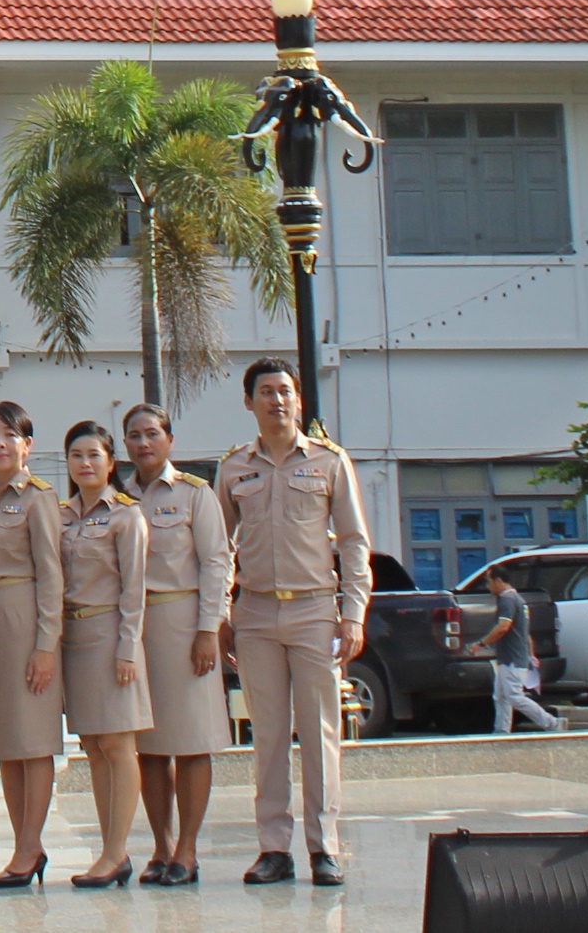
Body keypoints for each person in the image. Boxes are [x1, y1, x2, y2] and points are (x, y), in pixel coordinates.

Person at [216, 359, 369, 888]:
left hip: (312, 610)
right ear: (249, 402)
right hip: (255, 613)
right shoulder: (234, 468)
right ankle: (273, 848)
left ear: (298, 400)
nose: (276, 401)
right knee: (269, 736)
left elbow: (352, 543)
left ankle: (324, 846)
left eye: (284, 391)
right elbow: (220, 551)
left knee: (321, 732)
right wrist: (221, 614)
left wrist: (352, 614)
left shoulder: (329, 461)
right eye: (265, 392)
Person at [122, 402, 232, 886]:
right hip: (132, 628)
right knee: (147, 746)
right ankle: (161, 846)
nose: (143, 443)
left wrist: (209, 628)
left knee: (190, 743)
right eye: (133, 436)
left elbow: (217, 563)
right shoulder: (116, 497)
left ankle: (187, 849)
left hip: (184, 624)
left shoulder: (195, 495)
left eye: (151, 434)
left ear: (169, 440)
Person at [0, 399, 64, 890]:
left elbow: (52, 575)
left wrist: (46, 645)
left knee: (34, 740)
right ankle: (22, 842)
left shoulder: (39, 498)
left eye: (9, 434)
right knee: (5, 743)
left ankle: (30, 846)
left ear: (27, 445)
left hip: (25, 619)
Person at [57, 422, 152, 889]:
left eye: (94, 454)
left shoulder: (126, 516)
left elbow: (135, 590)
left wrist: (128, 648)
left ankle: (117, 851)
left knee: (118, 744)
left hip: (111, 633)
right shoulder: (60, 515)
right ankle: (108, 849)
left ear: (111, 462)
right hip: (72, 638)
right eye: (76, 455)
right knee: (93, 747)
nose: (85, 463)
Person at [483, 569, 560, 733]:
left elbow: (503, 628)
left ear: (498, 581)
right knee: (501, 696)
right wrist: (531, 654)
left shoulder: (507, 600)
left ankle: (551, 723)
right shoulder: (519, 600)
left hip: (511, 658)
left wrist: (481, 643)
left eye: (489, 582)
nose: (488, 587)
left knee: (514, 697)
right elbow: (525, 633)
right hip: (511, 658)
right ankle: (501, 731)